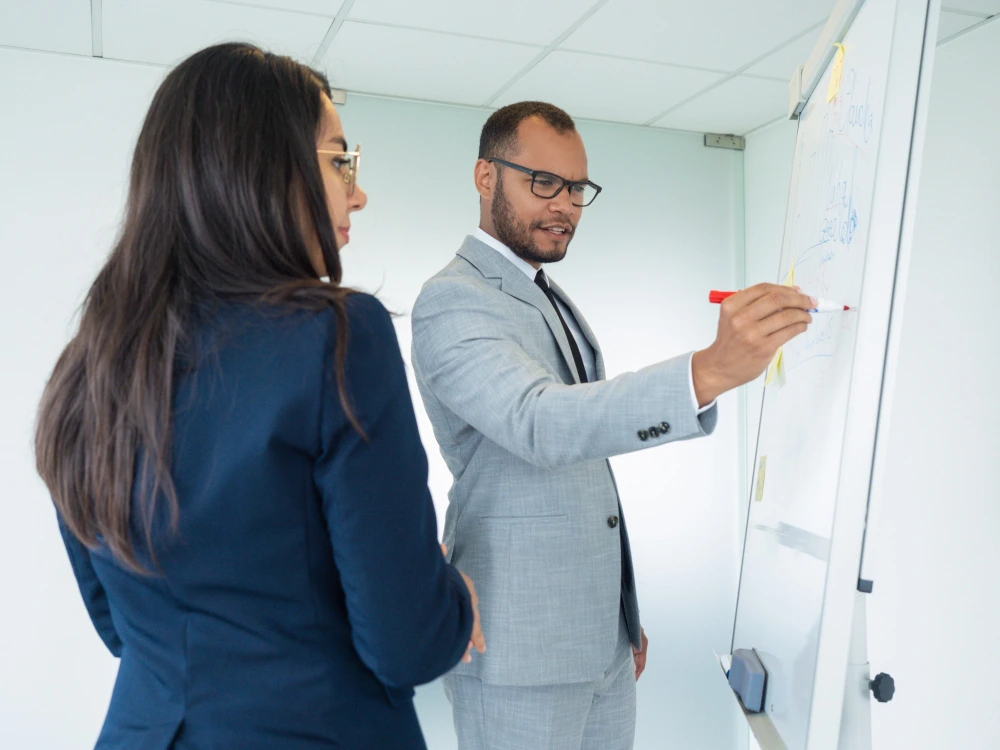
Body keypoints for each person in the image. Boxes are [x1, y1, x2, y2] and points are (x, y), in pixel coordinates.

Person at [34, 43, 484, 750]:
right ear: (264, 169)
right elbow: (408, 643)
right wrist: (454, 601)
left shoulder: (88, 365)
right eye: (341, 162)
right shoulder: (337, 337)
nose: (357, 192)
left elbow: (119, 627)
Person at [410, 101, 814, 749]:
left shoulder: (546, 294)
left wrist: (619, 617)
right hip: (520, 651)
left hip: (600, 647)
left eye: (576, 188)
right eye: (542, 182)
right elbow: (538, 423)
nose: (564, 205)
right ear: (486, 177)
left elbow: (584, 469)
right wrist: (704, 373)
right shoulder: (453, 298)